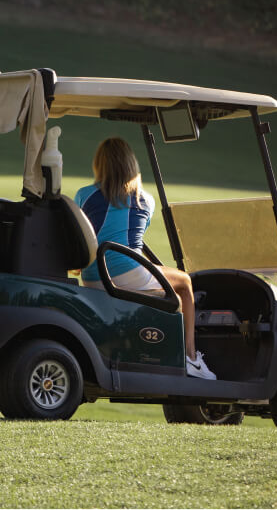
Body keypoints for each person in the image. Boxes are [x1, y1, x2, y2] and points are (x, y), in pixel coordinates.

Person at [74, 137, 216, 380]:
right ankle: (191, 358)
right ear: (131, 165)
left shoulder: (84, 195)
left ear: (100, 165)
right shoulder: (145, 200)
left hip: (91, 277)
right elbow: (132, 241)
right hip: (127, 273)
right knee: (184, 283)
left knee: (159, 281)